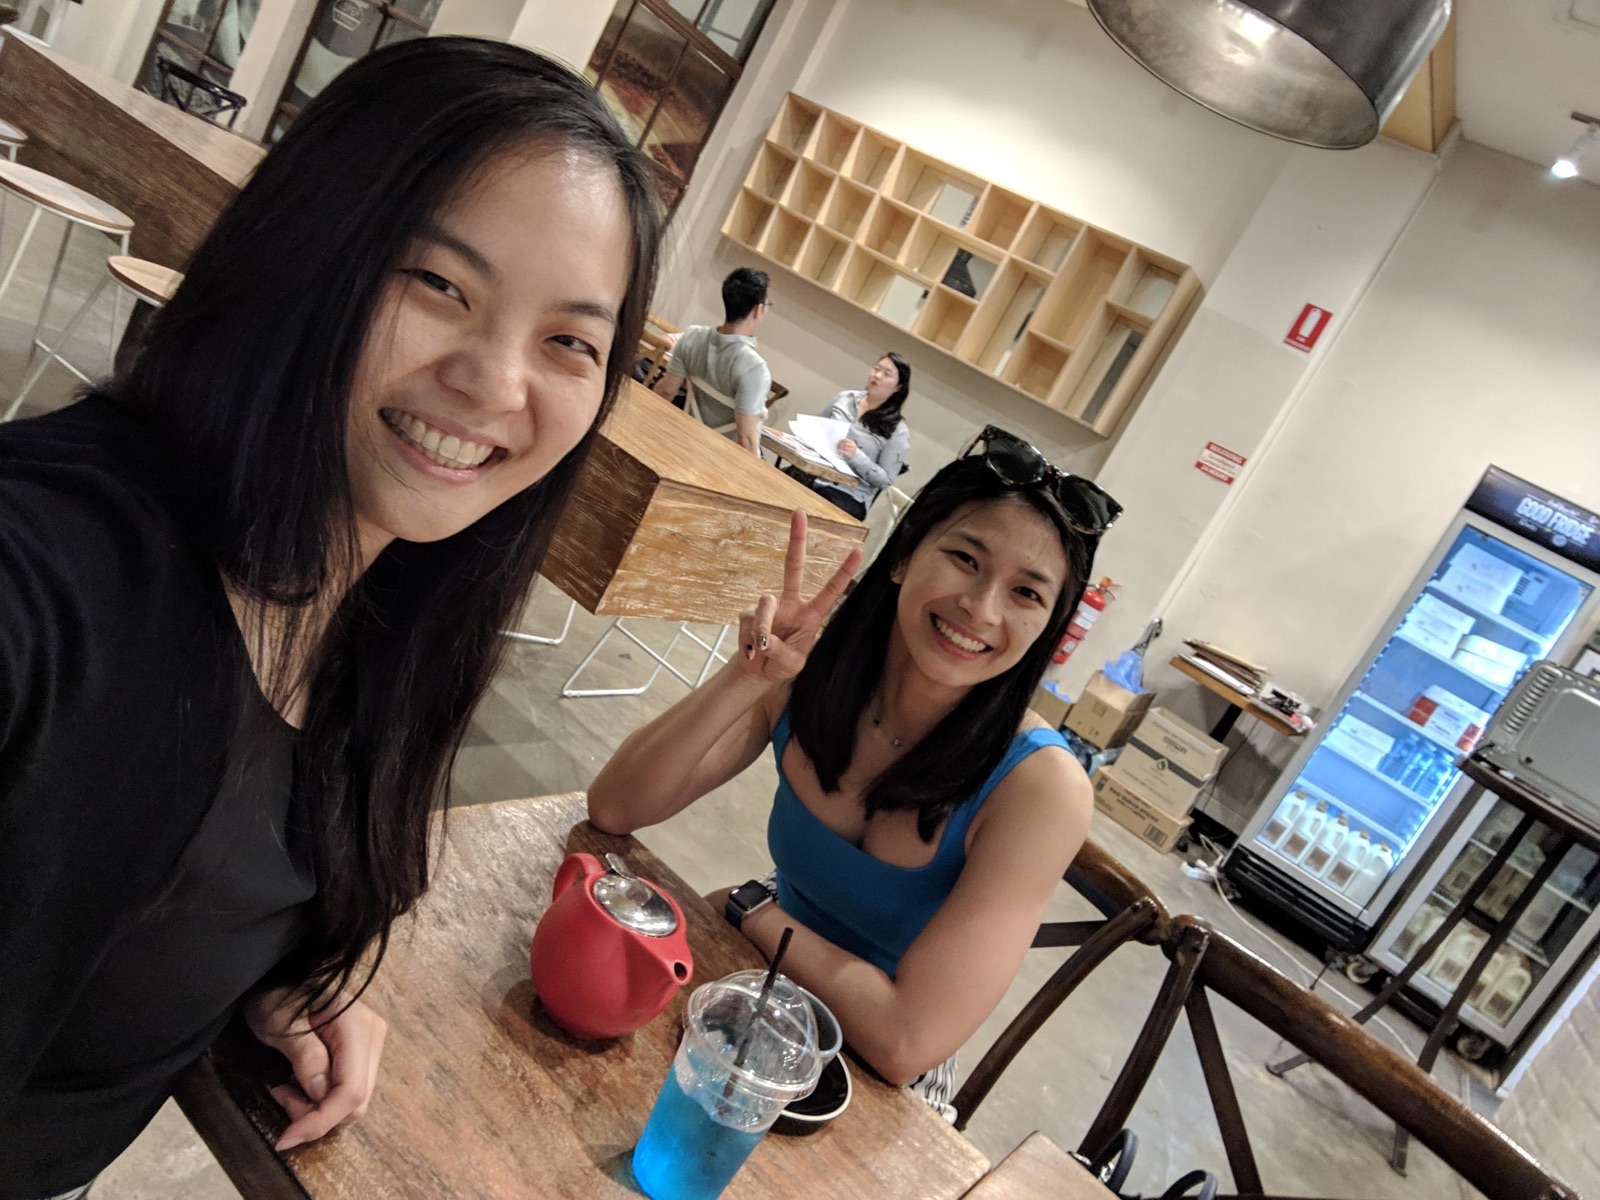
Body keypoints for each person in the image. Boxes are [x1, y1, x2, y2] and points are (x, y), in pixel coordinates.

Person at [0, 38, 659, 1199]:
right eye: (439, 284)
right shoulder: (59, 571)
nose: (497, 383)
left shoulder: (390, 612)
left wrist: (257, 964)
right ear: (310, 255)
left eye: (568, 342)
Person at [588, 427, 1121, 1119]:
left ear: (1047, 628)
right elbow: (616, 807)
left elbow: (905, 1042)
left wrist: (755, 910)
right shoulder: (812, 667)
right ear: (903, 554)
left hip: (869, 1086)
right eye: (965, 558)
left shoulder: (1041, 790)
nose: (981, 610)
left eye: (1026, 594)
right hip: (753, 994)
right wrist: (745, 677)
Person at [653, 267, 772, 455]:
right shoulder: (754, 368)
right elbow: (747, 438)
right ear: (758, 309)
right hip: (719, 459)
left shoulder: (692, 336)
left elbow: (666, 390)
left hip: (681, 442)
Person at [808, 351, 912, 519]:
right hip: (814, 474)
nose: (877, 375)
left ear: (898, 387)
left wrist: (856, 456)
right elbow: (816, 428)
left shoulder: (897, 430)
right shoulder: (845, 398)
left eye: (886, 374)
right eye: (876, 369)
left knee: (810, 508)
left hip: (847, 494)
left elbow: (885, 480)